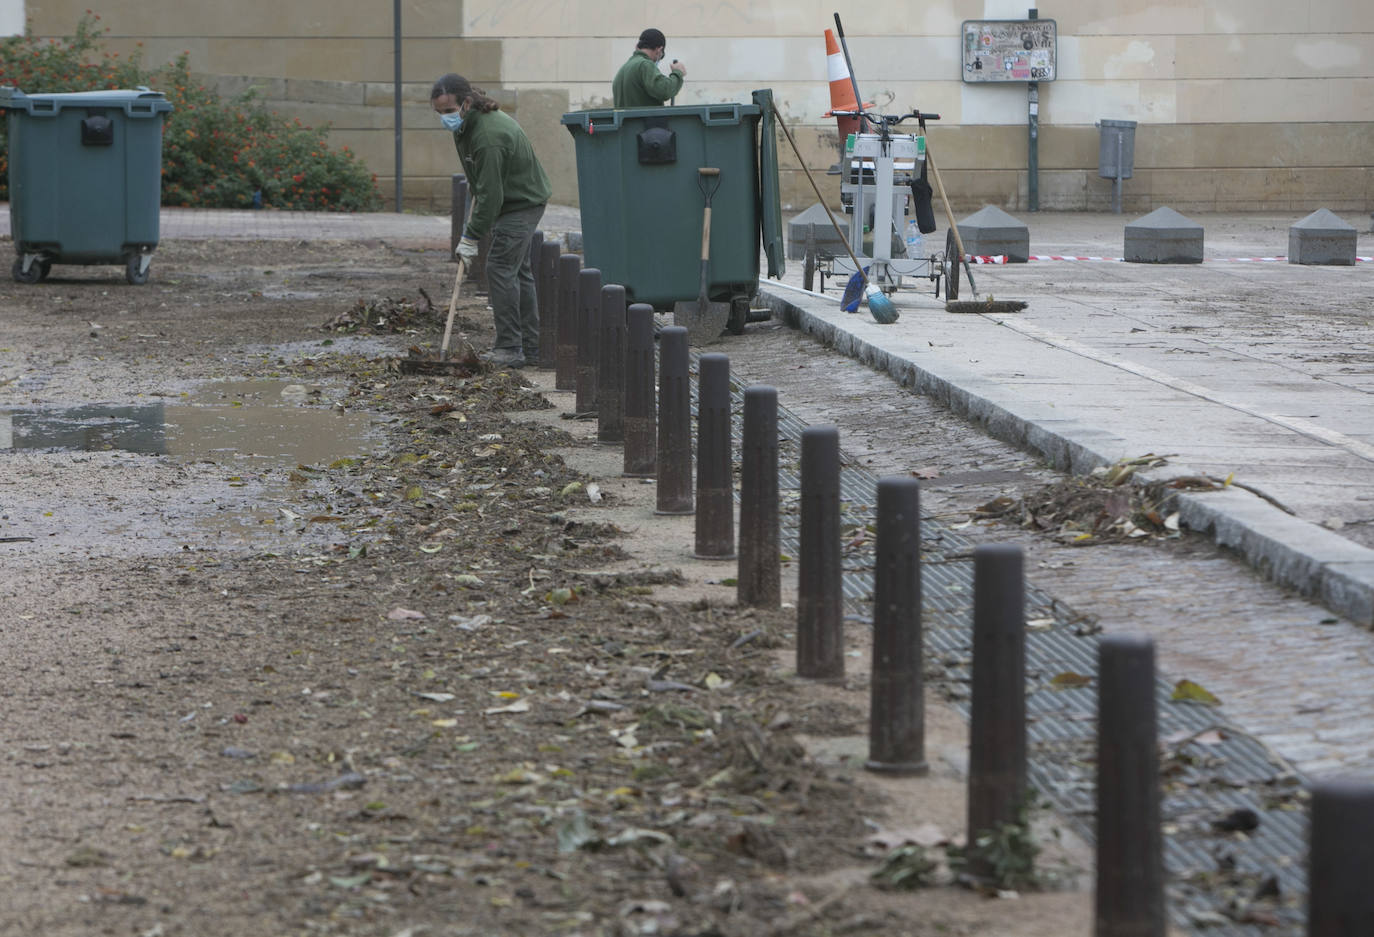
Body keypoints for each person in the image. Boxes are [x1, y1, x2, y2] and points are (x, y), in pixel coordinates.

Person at [431, 73, 552, 369]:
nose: (445, 118)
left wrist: (470, 237)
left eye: (448, 111)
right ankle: (530, 349)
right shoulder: (469, 124)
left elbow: (492, 197)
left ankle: (510, 348)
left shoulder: (487, 136)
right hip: (513, 199)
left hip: (521, 203)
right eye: (440, 113)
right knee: (516, 272)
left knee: (499, 267)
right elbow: (485, 184)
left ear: (467, 103)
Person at [612, 28, 686, 107]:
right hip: (643, 119)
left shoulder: (625, 67)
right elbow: (664, 91)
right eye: (661, 57)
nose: (656, 61)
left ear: (637, 46)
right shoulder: (645, 65)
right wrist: (678, 73)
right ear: (659, 50)